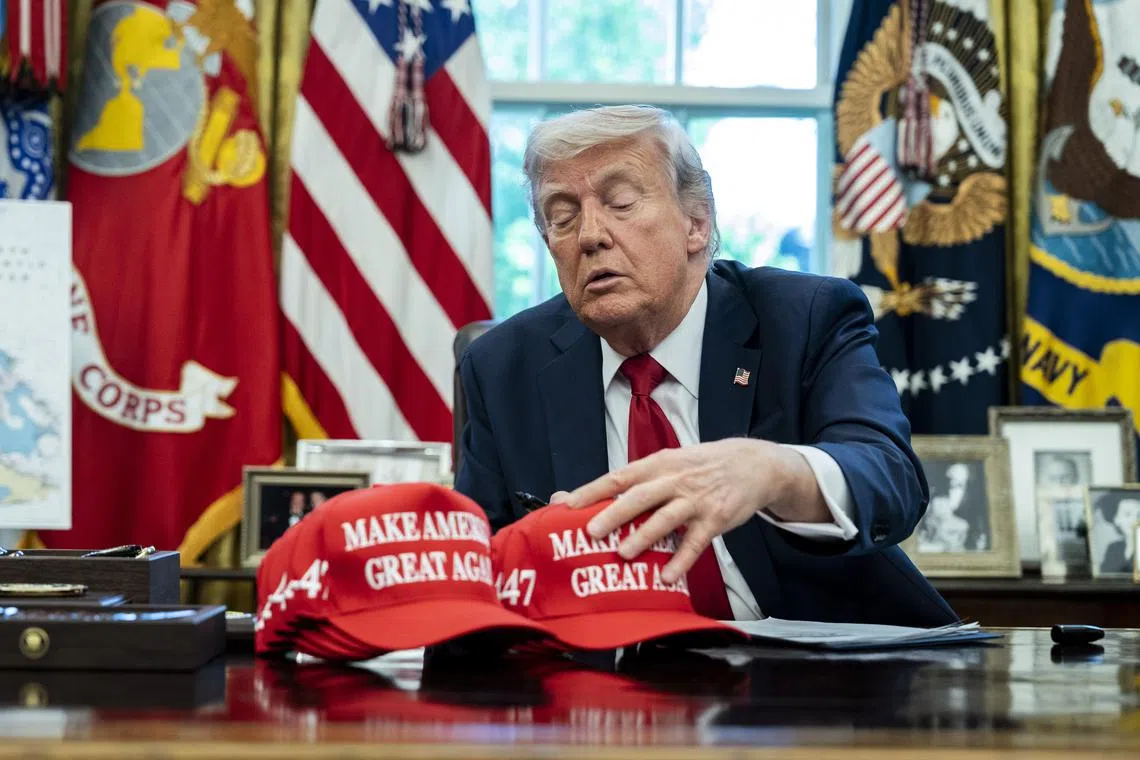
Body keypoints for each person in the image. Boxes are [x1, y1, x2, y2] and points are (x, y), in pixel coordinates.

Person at [454, 105, 956, 627]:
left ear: (696, 224)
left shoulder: (804, 318)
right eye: (562, 217)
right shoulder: (504, 367)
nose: (589, 235)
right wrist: (539, 553)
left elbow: (891, 479)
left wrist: (772, 473)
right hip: (610, 678)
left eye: (620, 203)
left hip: (820, 683)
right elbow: (476, 570)